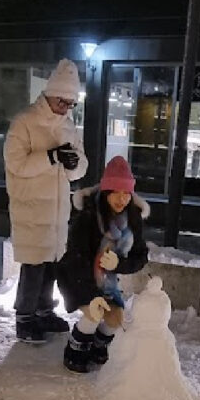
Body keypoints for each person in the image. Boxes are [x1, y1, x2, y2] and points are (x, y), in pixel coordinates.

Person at [4, 59, 88, 343]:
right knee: (33, 267)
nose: (65, 107)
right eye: (61, 101)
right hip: (31, 208)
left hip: (57, 210)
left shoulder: (69, 126)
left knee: (52, 264)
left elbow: (80, 167)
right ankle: (25, 318)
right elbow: (16, 164)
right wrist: (51, 156)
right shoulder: (24, 122)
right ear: (49, 94)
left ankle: (44, 311)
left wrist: (74, 164)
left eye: (70, 103)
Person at [57, 156, 149, 372]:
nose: (121, 198)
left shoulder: (132, 219)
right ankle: (75, 351)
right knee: (94, 313)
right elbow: (77, 258)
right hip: (78, 277)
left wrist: (119, 264)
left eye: (126, 193)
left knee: (115, 318)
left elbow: (141, 257)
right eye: (115, 192)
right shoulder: (88, 216)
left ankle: (97, 346)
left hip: (108, 282)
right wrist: (91, 295)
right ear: (106, 191)